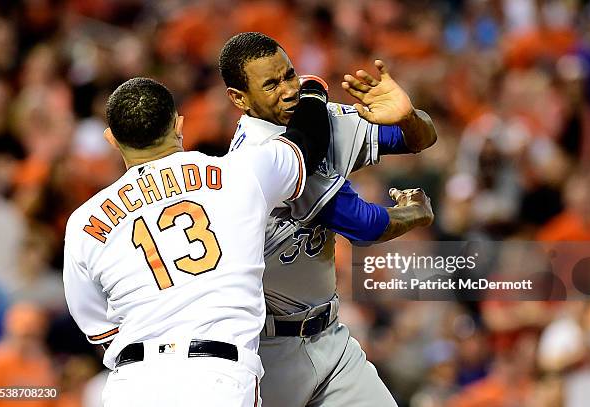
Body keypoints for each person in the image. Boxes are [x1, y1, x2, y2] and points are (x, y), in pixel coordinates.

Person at [62, 76, 331, 407]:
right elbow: (308, 144)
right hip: (217, 376)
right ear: (179, 124)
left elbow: (101, 330)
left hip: (132, 384)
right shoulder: (240, 173)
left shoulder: (84, 223)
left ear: (112, 140)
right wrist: (311, 89)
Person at [219, 32, 436, 406]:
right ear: (239, 98)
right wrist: (415, 213)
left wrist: (408, 116)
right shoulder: (258, 160)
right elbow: (363, 225)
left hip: (331, 337)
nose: (288, 90)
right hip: (268, 351)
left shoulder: (315, 117)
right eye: (271, 84)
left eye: (289, 75)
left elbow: (419, 138)